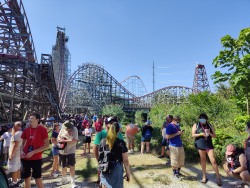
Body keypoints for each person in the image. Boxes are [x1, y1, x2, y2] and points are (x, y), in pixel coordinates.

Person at [20, 113, 49, 188]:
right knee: (26, 179)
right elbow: (22, 144)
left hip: (36, 158)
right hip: (25, 158)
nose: (29, 119)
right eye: (29, 118)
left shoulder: (43, 129)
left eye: (32, 118)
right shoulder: (26, 130)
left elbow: (47, 145)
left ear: (37, 120)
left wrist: (33, 152)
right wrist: (21, 151)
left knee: (37, 179)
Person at [192, 113, 222, 186]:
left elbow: (214, 136)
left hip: (208, 144)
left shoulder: (210, 125)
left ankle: (218, 178)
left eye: (203, 118)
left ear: (206, 119)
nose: (202, 119)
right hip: (200, 144)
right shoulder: (196, 124)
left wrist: (210, 133)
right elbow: (193, 135)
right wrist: (200, 134)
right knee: (203, 160)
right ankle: (204, 176)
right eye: (201, 118)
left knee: (213, 161)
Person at [93, 116, 124, 186]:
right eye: (111, 123)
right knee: (102, 182)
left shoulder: (119, 134)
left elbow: (123, 151)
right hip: (104, 163)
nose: (113, 124)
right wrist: (98, 160)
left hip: (117, 164)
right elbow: (95, 148)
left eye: (115, 122)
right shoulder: (100, 134)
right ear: (106, 125)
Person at [98, 122, 130, 188]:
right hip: (116, 168)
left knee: (105, 185)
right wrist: (128, 173)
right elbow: (125, 160)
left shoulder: (103, 141)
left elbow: (100, 157)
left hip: (104, 168)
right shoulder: (121, 142)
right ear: (118, 131)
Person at [56, 120, 78, 188]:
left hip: (70, 150)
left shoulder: (74, 129)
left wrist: (64, 141)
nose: (66, 129)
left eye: (67, 128)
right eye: (65, 128)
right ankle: (64, 179)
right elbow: (58, 136)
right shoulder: (62, 129)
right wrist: (59, 139)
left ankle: (72, 181)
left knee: (71, 165)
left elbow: (75, 140)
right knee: (63, 166)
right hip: (62, 150)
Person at [166, 116, 185, 180]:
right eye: (177, 122)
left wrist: (180, 133)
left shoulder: (177, 126)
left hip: (180, 145)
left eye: (179, 122)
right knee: (174, 160)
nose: (178, 123)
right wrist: (177, 133)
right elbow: (168, 136)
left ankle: (178, 172)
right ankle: (174, 174)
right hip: (173, 146)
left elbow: (177, 133)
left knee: (181, 160)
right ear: (173, 120)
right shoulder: (169, 126)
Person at [7, 122, 22, 187]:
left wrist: (11, 155)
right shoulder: (21, 132)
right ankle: (19, 179)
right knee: (18, 167)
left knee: (14, 168)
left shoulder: (16, 134)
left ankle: (14, 183)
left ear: (15, 126)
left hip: (15, 154)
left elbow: (15, 145)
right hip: (18, 153)